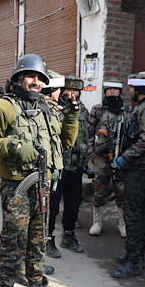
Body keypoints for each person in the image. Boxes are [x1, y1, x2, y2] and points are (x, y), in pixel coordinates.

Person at [0, 53, 79, 287]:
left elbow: (66, 142)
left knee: (38, 239)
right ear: (18, 78)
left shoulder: (48, 108)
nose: (35, 82)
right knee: (13, 244)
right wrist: (14, 147)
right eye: (31, 76)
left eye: (40, 78)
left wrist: (71, 116)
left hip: (44, 187)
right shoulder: (4, 106)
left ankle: (36, 285)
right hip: (18, 187)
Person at [111, 71, 145, 279]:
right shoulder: (142, 107)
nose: (129, 91)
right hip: (136, 167)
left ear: (138, 89)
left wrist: (125, 158)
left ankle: (134, 260)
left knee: (134, 214)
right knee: (136, 212)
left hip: (140, 168)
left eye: (131, 88)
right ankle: (134, 254)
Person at [46, 74, 90, 258]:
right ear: (62, 91)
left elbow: (87, 136)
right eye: (69, 90)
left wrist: (86, 162)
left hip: (76, 166)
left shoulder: (83, 111)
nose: (72, 94)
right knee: (52, 205)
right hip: (59, 165)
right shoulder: (55, 108)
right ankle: (47, 239)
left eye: (76, 91)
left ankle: (69, 236)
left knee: (73, 203)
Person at [86, 78, 130, 237]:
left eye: (115, 89)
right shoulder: (97, 110)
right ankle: (97, 222)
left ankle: (122, 223)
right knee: (99, 189)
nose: (112, 92)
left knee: (122, 191)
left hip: (120, 158)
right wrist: (91, 153)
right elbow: (89, 133)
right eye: (109, 89)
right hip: (101, 158)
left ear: (120, 91)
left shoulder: (126, 110)